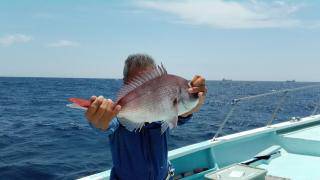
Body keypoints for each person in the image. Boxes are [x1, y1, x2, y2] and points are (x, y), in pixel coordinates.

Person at [85, 54, 207, 180]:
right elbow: (108, 124)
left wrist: (194, 102)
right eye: (138, 83)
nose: (145, 89)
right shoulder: (118, 112)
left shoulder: (166, 109)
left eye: (149, 82)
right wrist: (99, 121)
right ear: (125, 83)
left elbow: (180, 116)